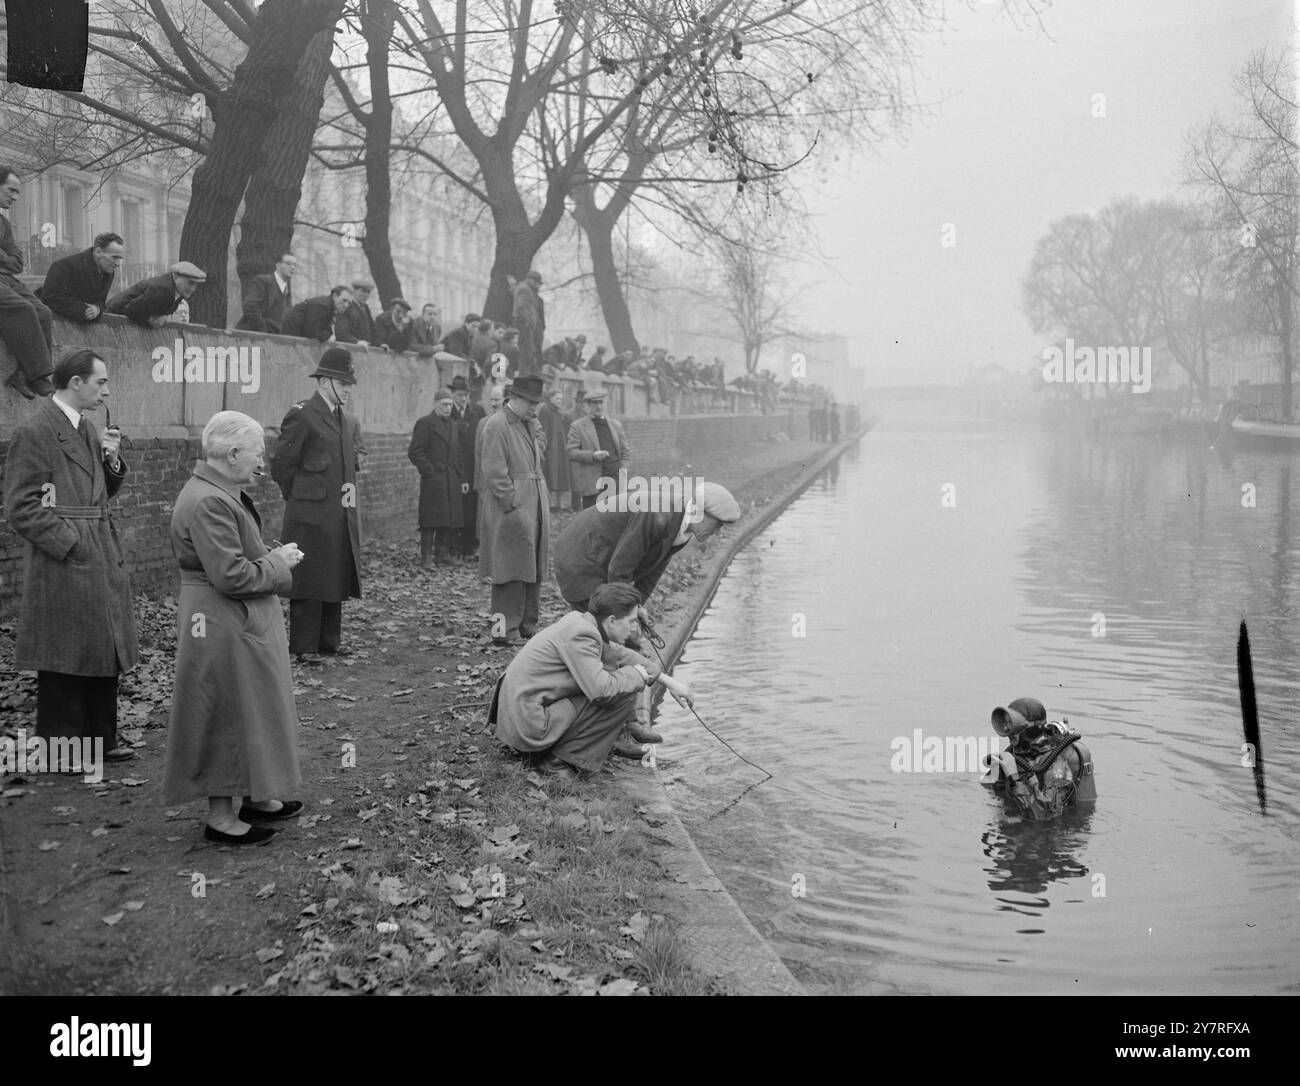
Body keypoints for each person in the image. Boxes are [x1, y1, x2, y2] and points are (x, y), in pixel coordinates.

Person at [162, 411, 306, 844]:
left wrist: (267, 556)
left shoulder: (218, 491)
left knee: (249, 707)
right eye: (257, 452)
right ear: (232, 453)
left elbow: (234, 558)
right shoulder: (209, 500)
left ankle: (255, 795)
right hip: (220, 623)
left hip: (232, 621)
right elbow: (231, 576)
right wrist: (276, 565)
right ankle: (221, 817)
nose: (262, 461)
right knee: (224, 710)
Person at [2, 349, 139, 768]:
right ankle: (63, 750)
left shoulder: (86, 428)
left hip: (96, 547)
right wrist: (70, 543)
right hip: (65, 558)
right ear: (75, 382)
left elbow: (97, 496)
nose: (107, 390)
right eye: (100, 382)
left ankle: (100, 738)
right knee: (65, 654)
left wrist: (112, 463)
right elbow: (22, 506)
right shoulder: (37, 429)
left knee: (103, 646)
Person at [553, 482, 741, 756]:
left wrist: (637, 606)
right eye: (717, 524)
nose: (716, 532)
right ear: (700, 511)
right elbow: (620, 568)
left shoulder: (683, 527)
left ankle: (626, 723)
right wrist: (628, 611)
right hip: (584, 559)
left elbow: (651, 569)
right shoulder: (657, 514)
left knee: (624, 641)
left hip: (606, 563)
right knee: (607, 644)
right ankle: (610, 733)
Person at [487, 583, 693, 780]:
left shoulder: (583, 621)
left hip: (523, 710)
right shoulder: (582, 635)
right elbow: (602, 691)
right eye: (631, 621)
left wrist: (670, 683)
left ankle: (616, 735)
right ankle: (557, 762)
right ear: (612, 621)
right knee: (620, 687)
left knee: (623, 676)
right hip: (529, 724)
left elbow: (619, 654)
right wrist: (636, 675)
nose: (633, 629)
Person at [269, 348, 365, 662]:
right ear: (324, 381)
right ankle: (304, 645)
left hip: (338, 513)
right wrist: (299, 499)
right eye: (342, 382)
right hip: (309, 513)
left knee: (335, 571)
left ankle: (329, 640)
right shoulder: (303, 413)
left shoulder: (347, 420)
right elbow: (282, 463)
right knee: (309, 576)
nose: (348, 389)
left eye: (350, 383)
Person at [478, 374, 549, 645]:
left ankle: (527, 625)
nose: (534, 408)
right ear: (515, 398)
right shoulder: (497, 425)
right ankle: (503, 631)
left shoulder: (527, 422)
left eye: (536, 403)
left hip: (533, 502)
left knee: (531, 567)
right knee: (508, 568)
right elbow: (494, 471)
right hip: (513, 506)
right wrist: (511, 502)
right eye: (530, 402)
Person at [983, 697, 1097, 821]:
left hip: (1051, 833)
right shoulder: (1015, 752)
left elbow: (1045, 816)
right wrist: (998, 771)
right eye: (1006, 723)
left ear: (1031, 728)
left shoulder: (1058, 764)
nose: (1007, 730)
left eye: (1012, 724)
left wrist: (1015, 779)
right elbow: (989, 790)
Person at [0, 166, 56, 398]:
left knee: (43, 312)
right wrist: (5, 257)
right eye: (11, 190)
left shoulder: (4, 224)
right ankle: (39, 376)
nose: (15, 197)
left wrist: (2, 257)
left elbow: (18, 262)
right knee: (22, 309)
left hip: (5, 277)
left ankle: (24, 375)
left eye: (18, 192)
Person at [408, 389, 466, 566]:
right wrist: (430, 472)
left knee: (448, 517)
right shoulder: (425, 423)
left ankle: (442, 553)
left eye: (449, 405)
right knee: (430, 519)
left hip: (451, 478)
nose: (448, 408)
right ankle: (426, 556)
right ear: (435, 404)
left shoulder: (453, 425)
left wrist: (462, 478)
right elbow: (415, 452)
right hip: (434, 479)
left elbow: (457, 454)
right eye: (444, 405)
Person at [38, 232, 125, 323]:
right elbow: (51, 298)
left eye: (119, 258)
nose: (117, 264)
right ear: (98, 252)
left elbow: (101, 300)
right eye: (114, 257)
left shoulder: (108, 272)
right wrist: (84, 310)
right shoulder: (65, 266)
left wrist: (97, 309)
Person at [567, 388, 630, 509]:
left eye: (601, 402)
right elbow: (571, 452)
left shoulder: (616, 425)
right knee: (593, 521)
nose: (599, 406)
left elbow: (625, 452)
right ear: (588, 405)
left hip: (614, 479)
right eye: (595, 403)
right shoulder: (578, 426)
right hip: (593, 482)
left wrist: (622, 470)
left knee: (615, 518)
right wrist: (592, 455)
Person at [448, 375, 485, 559]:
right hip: (454, 467)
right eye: (460, 394)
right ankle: (453, 547)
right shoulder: (448, 412)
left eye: (466, 395)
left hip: (473, 466)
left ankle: (469, 547)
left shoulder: (477, 411)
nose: (463, 399)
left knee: (471, 507)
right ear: (453, 394)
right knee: (455, 508)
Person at [106, 261, 206, 328]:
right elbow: (130, 310)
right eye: (190, 283)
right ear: (175, 277)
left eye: (196, 285)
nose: (192, 289)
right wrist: (150, 321)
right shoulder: (161, 289)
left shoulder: (178, 292)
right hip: (109, 319)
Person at [235, 252, 296, 334]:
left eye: (294, 265)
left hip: (275, 340)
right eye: (288, 263)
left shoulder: (286, 291)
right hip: (252, 337)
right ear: (277, 265)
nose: (292, 267)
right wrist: (262, 329)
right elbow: (250, 305)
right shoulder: (263, 281)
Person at [537, 387, 571, 511]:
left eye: (561, 399)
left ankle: (560, 504)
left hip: (561, 447)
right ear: (550, 399)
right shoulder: (545, 410)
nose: (559, 401)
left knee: (562, 474)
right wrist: (544, 447)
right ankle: (550, 504)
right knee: (550, 474)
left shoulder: (561, 412)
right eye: (557, 398)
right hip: (551, 448)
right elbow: (543, 429)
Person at [282, 285, 352, 343]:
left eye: (349, 303)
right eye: (344, 300)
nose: (346, 305)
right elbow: (312, 333)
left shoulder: (331, 308)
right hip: (288, 332)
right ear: (335, 296)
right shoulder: (322, 306)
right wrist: (326, 334)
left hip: (294, 334)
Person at [511, 270, 544, 376]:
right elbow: (521, 307)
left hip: (522, 322)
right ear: (530, 280)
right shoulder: (525, 290)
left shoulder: (522, 288)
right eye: (537, 282)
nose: (538, 285)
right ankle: (524, 376)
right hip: (523, 323)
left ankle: (528, 374)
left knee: (527, 350)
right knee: (526, 351)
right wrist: (529, 322)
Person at [333, 279, 375, 345]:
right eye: (363, 291)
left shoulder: (366, 309)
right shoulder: (346, 307)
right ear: (354, 291)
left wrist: (380, 343)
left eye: (368, 292)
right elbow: (341, 334)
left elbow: (371, 332)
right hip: (349, 348)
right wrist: (357, 342)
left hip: (364, 349)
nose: (366, 295)